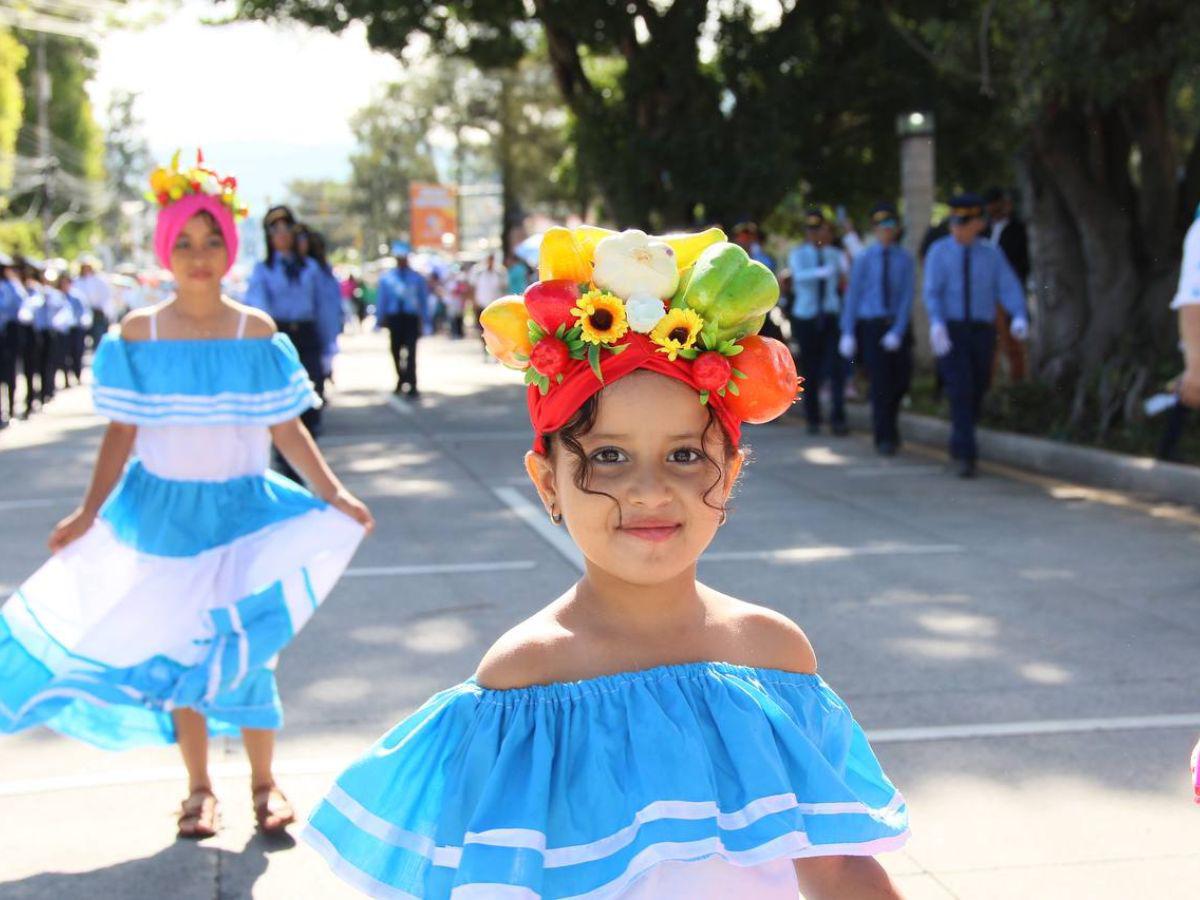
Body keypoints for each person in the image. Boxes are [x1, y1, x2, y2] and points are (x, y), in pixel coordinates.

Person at [302, 227, 909, 899]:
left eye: (684, 455)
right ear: (546, 483)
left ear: (730, 472)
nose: (649, 491)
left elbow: (839, 866)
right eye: (608, 457)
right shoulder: (527, 679)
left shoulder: (774, 657)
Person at [0, 153, 373, 840]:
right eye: (183, 243)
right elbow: (121, 434)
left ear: (230, 248)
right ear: (163, 250)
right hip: (161, 518)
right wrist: (88, 512)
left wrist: (335, 494)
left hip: (245, 515)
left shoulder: (253, 332)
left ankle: (265, 784)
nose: (198, 257)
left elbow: (284, 429)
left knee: (248, 654)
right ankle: (200, 789)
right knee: (181, 655)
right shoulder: (137, 335)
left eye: (210, 242)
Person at [923, 192, 1029, 478]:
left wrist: (1019, 314)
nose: (958, 227)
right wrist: (937, 324)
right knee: (961, 390)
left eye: (965, 221)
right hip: (952, 330)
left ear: (979, 223)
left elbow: (1007, 285)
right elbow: (932, 292)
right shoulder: (939, 252)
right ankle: (964, 453)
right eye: (955, 221)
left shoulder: (991, 254)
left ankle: (962, 443)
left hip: (982, 331)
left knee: (979, 387)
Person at [245, 205, 327, 439]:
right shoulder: (263, 270)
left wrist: (329, 345)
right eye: (275, 229)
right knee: (282, 403)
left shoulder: (310, 268)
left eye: (286, 227)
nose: (281, 233)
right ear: (268, 236)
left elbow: (324, 308)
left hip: (307, 334)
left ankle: (309, 453)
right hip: (278, 335)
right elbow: (258, 306)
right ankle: (286, 464)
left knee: (312, 397)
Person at [839, 202, 915, 455]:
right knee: (880, 383)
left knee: (901, 381)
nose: (885, 230)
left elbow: (906, 297)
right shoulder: (864, 258)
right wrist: (848, 331)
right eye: (881, 226)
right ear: (874, 229)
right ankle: (884, 435)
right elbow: (853, 296)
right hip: (871, 326)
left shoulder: (904, 259)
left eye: (890, 225)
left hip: (895, 326)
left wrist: (899, 330)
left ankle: (891, 427)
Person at [788, 208, 847, 435]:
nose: (815, 234)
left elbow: (845, 274)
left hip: (830, 315)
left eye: (819, 229)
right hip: (807, 315)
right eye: (811, 229)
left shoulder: (834, 253)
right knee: (810, 369)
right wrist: (819, 272)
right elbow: (798, 275)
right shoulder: (799, 253)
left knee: (836, 369)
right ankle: (813, 418)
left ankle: (838, 418)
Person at [984, 187, 1030, 382]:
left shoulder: (1018, 229)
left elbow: (1022, 263)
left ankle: (1017, 385)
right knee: (988, 345)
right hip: (985, 295)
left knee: (1012, 343)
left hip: (1008, 294)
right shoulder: (983, 229)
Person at [376, 240, 431, 397]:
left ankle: (412, 383)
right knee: (395, 350)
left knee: (411, 352)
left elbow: (423, 301)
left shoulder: (416, 278)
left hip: (410, 318)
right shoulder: (387, 278)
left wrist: (426, 321)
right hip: (394, 319)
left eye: (404, 257)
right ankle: (401, 379)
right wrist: (379, 320)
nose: (401, 261)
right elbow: (382, 300)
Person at [57, 271, 92, 387]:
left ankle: (77, 375)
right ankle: (66, 378)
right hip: (63, 331)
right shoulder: (57, 296)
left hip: (76, 329)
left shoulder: (77, 297)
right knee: (64, 354)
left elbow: (84, 312)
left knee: (77, 353)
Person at [0, 253, 22, 427]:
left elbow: (19, 306)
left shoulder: (12, 286)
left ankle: (12, 407)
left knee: (10, 373)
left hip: (8, 334)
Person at [75, 256, 115, 347]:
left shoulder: (100, 280)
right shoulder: (77, 281)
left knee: (98, 339)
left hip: (97, 313)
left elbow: (106, 297)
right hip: (81, 313)